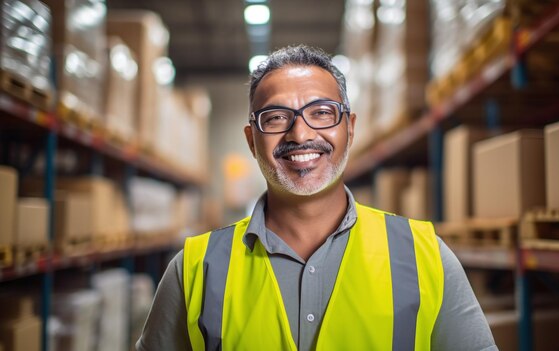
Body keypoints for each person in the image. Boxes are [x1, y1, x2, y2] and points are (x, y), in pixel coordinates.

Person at [136, 45, 497, 351]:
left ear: (349, 128)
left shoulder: (424, 257)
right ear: (251, 140)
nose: (301, 133)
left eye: (321, 113)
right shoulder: (195, 269)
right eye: (276, 117)